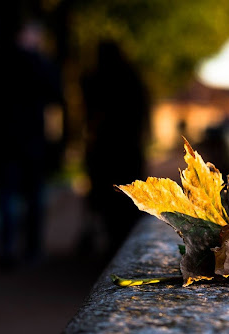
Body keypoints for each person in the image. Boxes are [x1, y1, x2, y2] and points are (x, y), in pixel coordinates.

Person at [0, 19, 64, 271]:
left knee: (7, 197)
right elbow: (56, 94)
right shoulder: (40, 63)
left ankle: (7, 248)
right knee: (33, 198)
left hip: (5, 144)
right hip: (31, 143)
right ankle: (32, 249)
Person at [81, 40, 151, 260]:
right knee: (127, 203)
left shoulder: (95, 80)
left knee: (107, 201)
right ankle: (122, 249)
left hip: (105, 152)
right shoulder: (134, 80)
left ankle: (110, 247)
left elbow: (90, 117)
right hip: (129, 152)